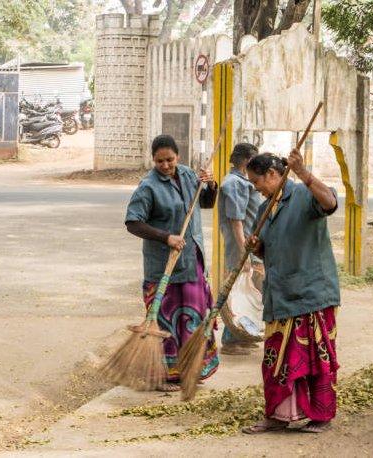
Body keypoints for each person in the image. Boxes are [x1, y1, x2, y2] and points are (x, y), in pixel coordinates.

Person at [242, 151, 340, 434]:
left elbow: (330, 202)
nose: (255, 187)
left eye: (257, 181)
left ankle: (321, 415)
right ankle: (277, 415)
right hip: (280, 296)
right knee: (275, 359)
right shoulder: (263, 211)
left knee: (316, 360)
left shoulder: (304, 195)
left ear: (273, 175)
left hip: (311, 294)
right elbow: (267, 248)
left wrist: (304, 173)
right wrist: (256, 247)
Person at [125, 135, 219, 392]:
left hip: (192, 262)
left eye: (170, 160)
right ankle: (165, 375)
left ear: (178, 156)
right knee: (165, 323)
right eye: (160, 161)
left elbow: (207, 204)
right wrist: (166, 237)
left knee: (194, 318)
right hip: (163, 267)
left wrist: (210, 185)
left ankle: (191, 368)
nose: (165, 165)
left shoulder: (190, 176)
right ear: (153, 160)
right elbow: (133, 222)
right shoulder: (148, 187)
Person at [218, 143, 264, 355]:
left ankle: (243, 335)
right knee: (237, 292)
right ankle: (231, 339)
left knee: (249, 291)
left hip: (249, 244)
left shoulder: (243, 181)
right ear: (246, 160)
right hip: (241, 246)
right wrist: (243, 252)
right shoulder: (234, 184)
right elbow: (236, 220)